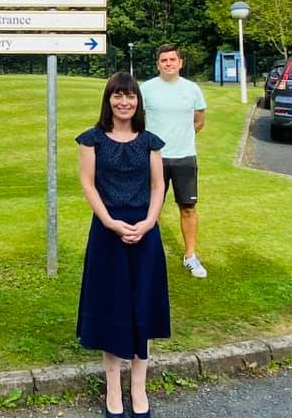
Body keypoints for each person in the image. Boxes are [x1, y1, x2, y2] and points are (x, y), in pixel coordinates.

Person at [76, 72, 169, 418]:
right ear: (109, 100)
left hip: (145, 232)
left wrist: (148, 222)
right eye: (118, 96)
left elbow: (159, 186)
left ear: (138, 102)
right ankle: (113, 388)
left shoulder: (150, 142)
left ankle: (139, 388)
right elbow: (88, 184)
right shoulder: (92, 140)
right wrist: (109, 222)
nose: (124, 102)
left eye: (130, 96)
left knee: (141, 307)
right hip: (107, 232)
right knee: (112, 308)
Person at [141, 44, 208, 278]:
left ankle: (190, 256)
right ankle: (150, 255)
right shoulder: (146, 89)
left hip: (184, 157)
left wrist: (181, 138)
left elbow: (198, 121)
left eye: (172, 59)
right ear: (157, 64)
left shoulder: (192, 89)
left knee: (188, 208)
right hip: (154, 158)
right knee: (152, 208)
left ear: (180, 63)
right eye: (163, 60)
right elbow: (137, 121)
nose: (168, 63)